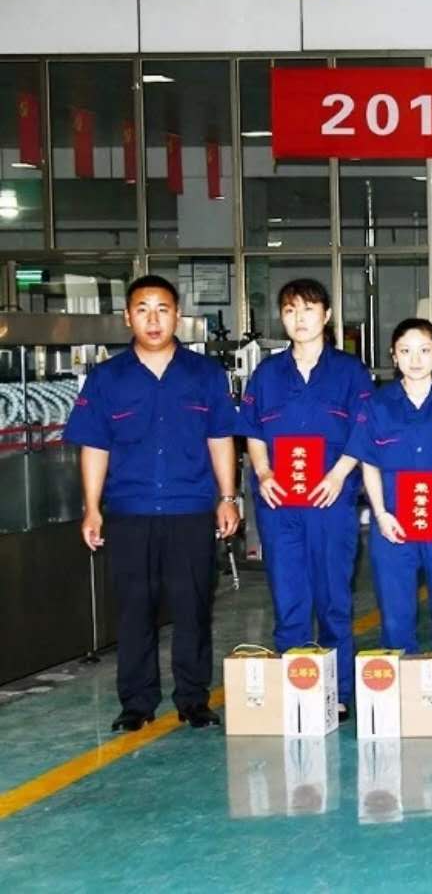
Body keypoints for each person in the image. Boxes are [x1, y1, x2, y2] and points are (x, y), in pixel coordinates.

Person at [66, 275, 240, 731]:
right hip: (130, 511)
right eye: (142, 309)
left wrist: (227, 497)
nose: (153, 319)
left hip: (190, 509)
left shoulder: (205, 375)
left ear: (177, 315)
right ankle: (137, 702)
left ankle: (193, 699)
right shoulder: (106, 379)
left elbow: (221, 438)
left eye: (162, 309)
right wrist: (91, 507)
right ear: (128, 317)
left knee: (192, 608)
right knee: (134, 611)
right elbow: (94, 446)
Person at [239, 278, 372, 719]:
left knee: (334, 600)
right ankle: (297, 693)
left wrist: (338, 475)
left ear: (327, 316)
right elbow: (253, 430)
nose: (299, 318)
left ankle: (339, 692)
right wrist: (263, 471)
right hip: (280, 506)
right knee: (289, 598)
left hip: (330, 502)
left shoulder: (350, 372)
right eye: (290, 310)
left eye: (309, 309)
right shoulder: (267, 374)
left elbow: (363, 431)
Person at [347, 319, 432, 655]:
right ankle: (401, 686)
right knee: (395, 621)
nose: (415, 359)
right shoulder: (377, 405)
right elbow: (370, 464)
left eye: (424, 350)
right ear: (394, 356)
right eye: (405, 351)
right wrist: (381, 514)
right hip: (394, 525)